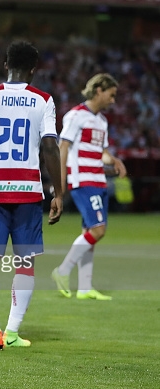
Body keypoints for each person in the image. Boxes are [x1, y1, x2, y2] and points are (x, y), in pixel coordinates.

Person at [0, 41, 63, 350]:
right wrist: (58, 193)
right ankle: (13, 331)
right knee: (25, 264)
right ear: (34, 69)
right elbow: (49, 147)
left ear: (5, 65)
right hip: (28, 192)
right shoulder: (43, 100)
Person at [51, 74, 127, 300]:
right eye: (111, 95)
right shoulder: (76, 116)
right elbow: (63, 147)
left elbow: (100, 152)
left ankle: (85, 287)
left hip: (98, 180)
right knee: (98, 230)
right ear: (98, 91)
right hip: (83, 180)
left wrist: (113, 160)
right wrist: (60, 183)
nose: (113, 100)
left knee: (89, 232)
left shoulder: (101, 121)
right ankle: (62, 271)